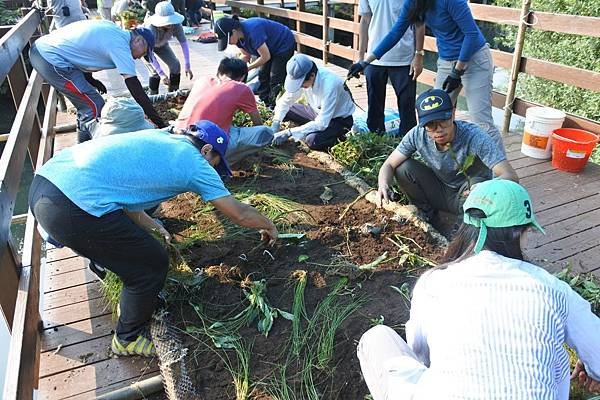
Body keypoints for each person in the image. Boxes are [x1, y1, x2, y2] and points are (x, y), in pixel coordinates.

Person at [29, 120, 279, 357]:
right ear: (206, 150)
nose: (213, 169)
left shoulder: (160, 137)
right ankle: (127, 339)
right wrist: (269, 225)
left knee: (136, 247)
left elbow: (126, 197)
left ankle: (122, 288)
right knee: (151, 264)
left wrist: (155, 227)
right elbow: (240, 214)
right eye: (215, 162)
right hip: (71, 206)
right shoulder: (195, 163)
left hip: (46, 183)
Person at [358, 179, 600, 399]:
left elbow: (422, 355)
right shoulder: (553, 289)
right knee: (554, 355)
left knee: (376, 338)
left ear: (466, 227)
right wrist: (591, 367)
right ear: (523, 232)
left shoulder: (434, 282)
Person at [349, 0, 504, 152]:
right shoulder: (414, 3)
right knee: (435, 114)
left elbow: (472, 35)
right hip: (446, 61)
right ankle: (446, 162)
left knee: (481, 122)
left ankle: (501, 174)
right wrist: (364, 62)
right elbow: (395, 33)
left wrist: (457, 71)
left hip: (474, 59)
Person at [376, 88, 517, 221]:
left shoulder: (474, 136)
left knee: (477, 184)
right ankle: (426, 214)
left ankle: (468, 226)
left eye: (443, 121)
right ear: (422, 124)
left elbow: (510, 176)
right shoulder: (417, 134)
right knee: (403, 168)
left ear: (453, 114)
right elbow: (389, 164)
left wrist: (485, 188)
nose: (438, 130)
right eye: (430, 125)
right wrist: (383, 185)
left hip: (470, 193)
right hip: (440, 190)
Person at [29, 20, 166, 143]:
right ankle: (85, 149)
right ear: (138, 40)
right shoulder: (121, 46)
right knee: (93, 105)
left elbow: (83, 50)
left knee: (88, 102)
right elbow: (136, 91)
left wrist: (90, 79)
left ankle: (85, 141)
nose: (139, 58)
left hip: (44, 50)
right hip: (50, 59)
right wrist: (160, 124)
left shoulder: (115, 31)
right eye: (143, 53)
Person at [175, 57, 273, 164]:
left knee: (227, 128)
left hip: (178, 134)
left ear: (219, 72)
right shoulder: (241, 88)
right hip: (202, 146)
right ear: (242, 77)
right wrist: (259, 150)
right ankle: (222, 162)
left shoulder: (202, 80)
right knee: (265, 132)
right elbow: (257, 123)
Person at [357, 0, 424, 135]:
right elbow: (365, 21)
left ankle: (409, 145)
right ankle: (376, 141)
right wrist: (361, 58)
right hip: (374, 58)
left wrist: (418, 55)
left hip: (404, 58)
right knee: (374, 109)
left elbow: (419, 24)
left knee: (407, 109)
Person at [270, 54, 355, 151]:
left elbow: (322, 123)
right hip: (316, 112)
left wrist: (289, 132)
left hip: (338, 120)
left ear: (312, 76)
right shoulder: (305, 76)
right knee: (285, 110)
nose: (300, 87)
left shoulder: (331, 85)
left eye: (301, 84)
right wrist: (276, 122)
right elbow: (285, 101)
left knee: (312, 140)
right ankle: (307, 128)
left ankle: (341, 136)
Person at [214, 15, 295, 107]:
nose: (228, 43)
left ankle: (275, 105)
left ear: (234, 31)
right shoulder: (238, 39)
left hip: (283, 43)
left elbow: (265, 57)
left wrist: (248, 68)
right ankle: (264, 101)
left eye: (228, 40)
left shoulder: (253, 31)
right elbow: (246, 55)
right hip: (268, 48)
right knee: (263, 75)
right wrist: (235, 69)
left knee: (275, 78)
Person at [144, 1, 193, 94]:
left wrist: (187, 65)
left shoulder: (176, 25)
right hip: (145, 48)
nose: (170, 24)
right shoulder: (150, 28)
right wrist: (162, 74)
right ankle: (152, 97)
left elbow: (184, 43)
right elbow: (149, 53)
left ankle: (173, 94)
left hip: (162, 45)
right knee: (155, 73)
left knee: (175, 65)